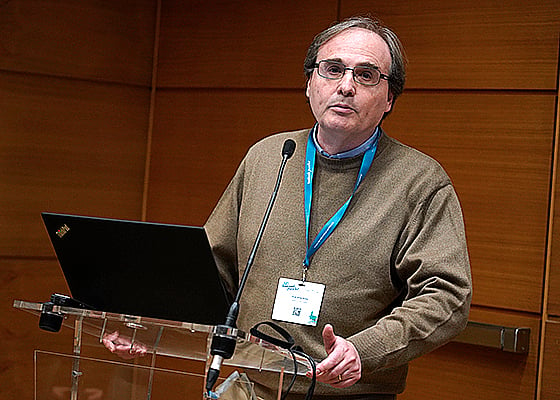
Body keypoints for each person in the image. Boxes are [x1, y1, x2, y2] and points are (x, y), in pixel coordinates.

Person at [106, 15, 472, 400]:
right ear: (310, 83)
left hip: (349, 394)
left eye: (366, 75)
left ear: (389, 98)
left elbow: (446, 295)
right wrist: (149, 323)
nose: (345, 86)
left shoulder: (419, 181)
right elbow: (213, 270)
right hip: (251, 385)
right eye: (332, 70)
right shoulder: (268, 157)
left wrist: (364, 350)